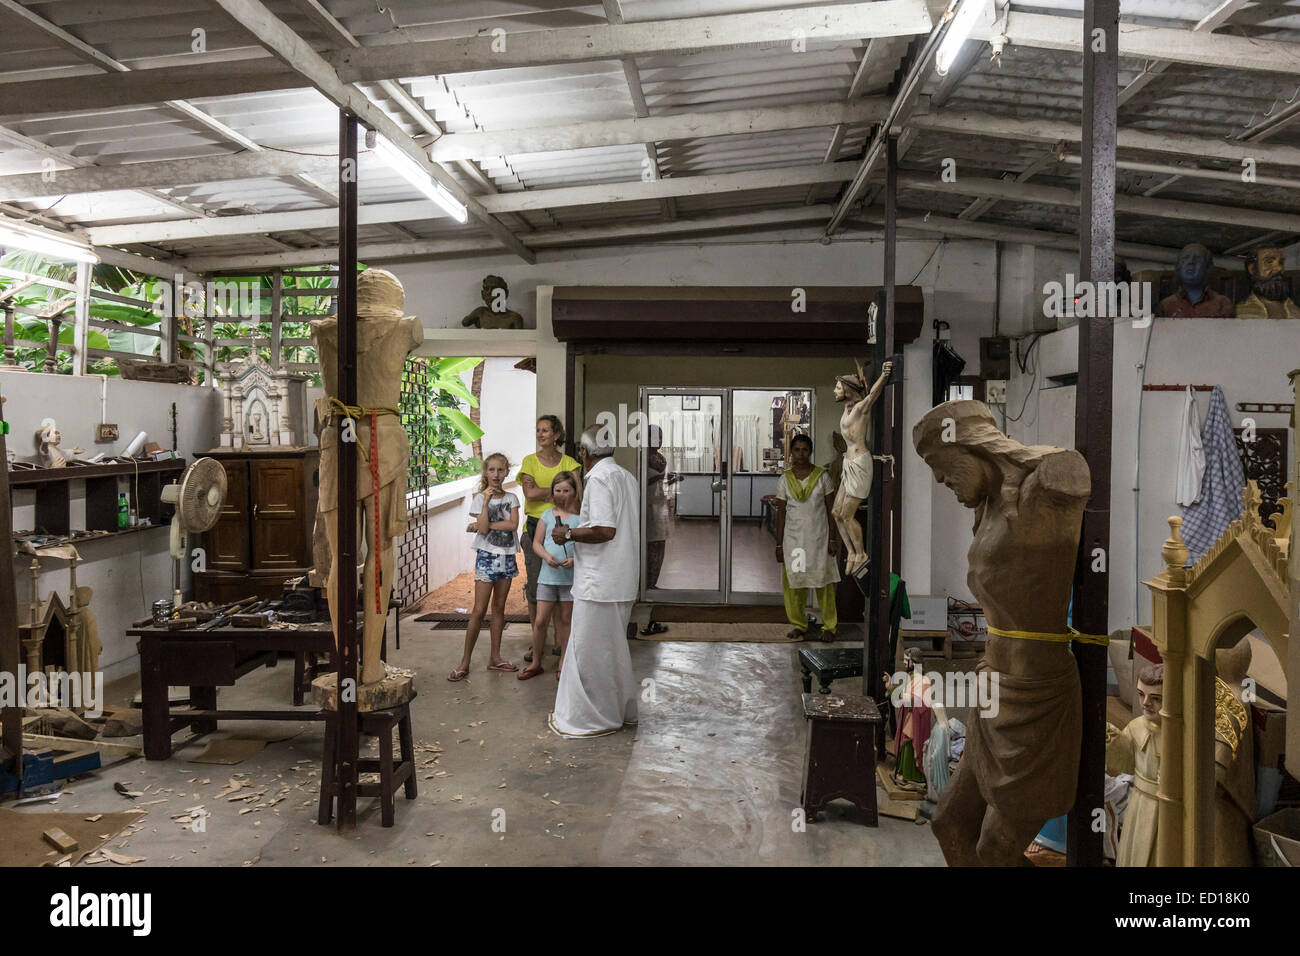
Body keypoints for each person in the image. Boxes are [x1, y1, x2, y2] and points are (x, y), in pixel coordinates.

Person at [548, 426, 640, 738]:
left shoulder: (599, 478)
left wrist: (568, 533)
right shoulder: (626, 476)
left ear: (584, 453)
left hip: (599, 583)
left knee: (589, 654)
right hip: (621, 579)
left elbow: (605, 530)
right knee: (613, 652)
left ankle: (591, 718)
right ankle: (618, 711)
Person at [449, 453, 520, 680]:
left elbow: (512, 525)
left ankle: (495, 658)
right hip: (486, 557)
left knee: (498, 609)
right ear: (485, 473)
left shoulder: (511, 498)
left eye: (500, 470)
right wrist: (487, 505)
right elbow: (481, 530)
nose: (496, 475)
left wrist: (486, 525)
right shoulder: (480, 498)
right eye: (491, 470)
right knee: (479, 610)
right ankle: (465, 661)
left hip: (507, 556)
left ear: (506, 472)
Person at [517, 415, 581, 662]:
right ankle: (537, 643)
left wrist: (548, 492)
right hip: (536, 527)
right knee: (536, 587)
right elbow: (530, 494)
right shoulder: (529, 462)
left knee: (562, 583)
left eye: (545, 430)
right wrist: (557, 490)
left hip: (566, 527)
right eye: (538, 430)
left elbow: (575, 497)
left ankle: (558, 641)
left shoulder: (570, 462)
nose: (540, 434)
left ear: (557, 435)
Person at [773, 433, 839, 641]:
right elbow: (781, 513)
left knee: (824, 584)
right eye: (796, 450)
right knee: (796, 585)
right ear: (791, 452)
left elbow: (831, 510)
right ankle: (799, 624)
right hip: (795, 542)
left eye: (804, 450)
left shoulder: (823, 477)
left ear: (810, 452)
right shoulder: (785, 479)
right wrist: (779, 544)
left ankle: (829, 627)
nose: (800, 454)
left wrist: (833, 539)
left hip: (820, 540)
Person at [520, 470, 582, 681]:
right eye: (558, 490)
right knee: (540, 621)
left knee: (566, 620)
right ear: (552, 493)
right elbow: (536, 542)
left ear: (574, 492)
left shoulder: (579, 520)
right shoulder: (546, 516)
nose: (562, 494)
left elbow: (584, 549)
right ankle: (537, 661)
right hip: (547, 577)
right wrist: (546, 557)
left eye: (566, 490)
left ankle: (564, 662)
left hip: (569, 579)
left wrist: (574, 560)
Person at [1106, 663, 1163, 867]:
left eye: (1156, 698)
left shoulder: (1183, 735)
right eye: (1141, 694)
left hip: (1168, 807)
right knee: (1133, 852)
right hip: (1139, 803)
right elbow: (1124, 764)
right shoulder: (1136, 726)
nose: (1145, 703)